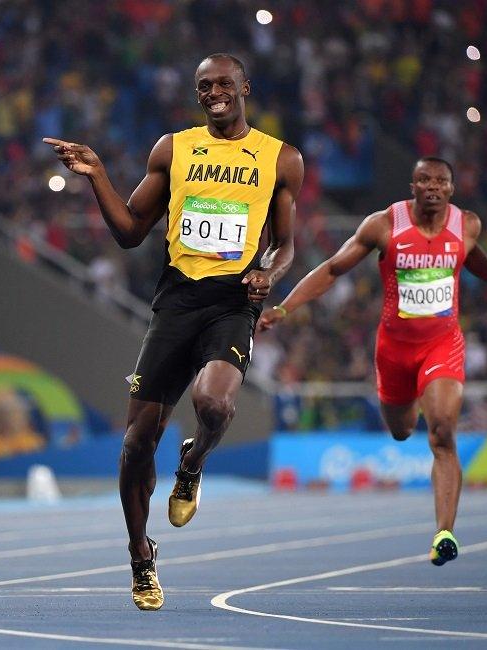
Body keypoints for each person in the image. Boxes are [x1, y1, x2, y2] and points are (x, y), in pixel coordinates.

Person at [44, 53, 304, 610]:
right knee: (136, 444)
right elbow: (130, 231)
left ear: (244, 88)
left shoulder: (280, 159)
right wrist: (97, 176)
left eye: (224, 84)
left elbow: (286, 244)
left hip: (234, 302)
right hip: (177, 300)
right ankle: (141, 555)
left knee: (213, 405)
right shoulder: (174, 149)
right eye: (204, 85)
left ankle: (192, 463)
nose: (214, 92)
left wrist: (270, 273)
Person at [258, 156, 487, 566]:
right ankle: (405, 418)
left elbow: (474, 259)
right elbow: (334, 268)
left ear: (451, 189)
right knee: (403, 430)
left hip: (442, 345)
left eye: (440, 181)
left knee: (442, 431)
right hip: (394, 351)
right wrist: (284, 309)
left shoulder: (468, 225)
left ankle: (444, 532)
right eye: (423, 179)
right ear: (412, 185)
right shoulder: (384, 225)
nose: (432, 187)